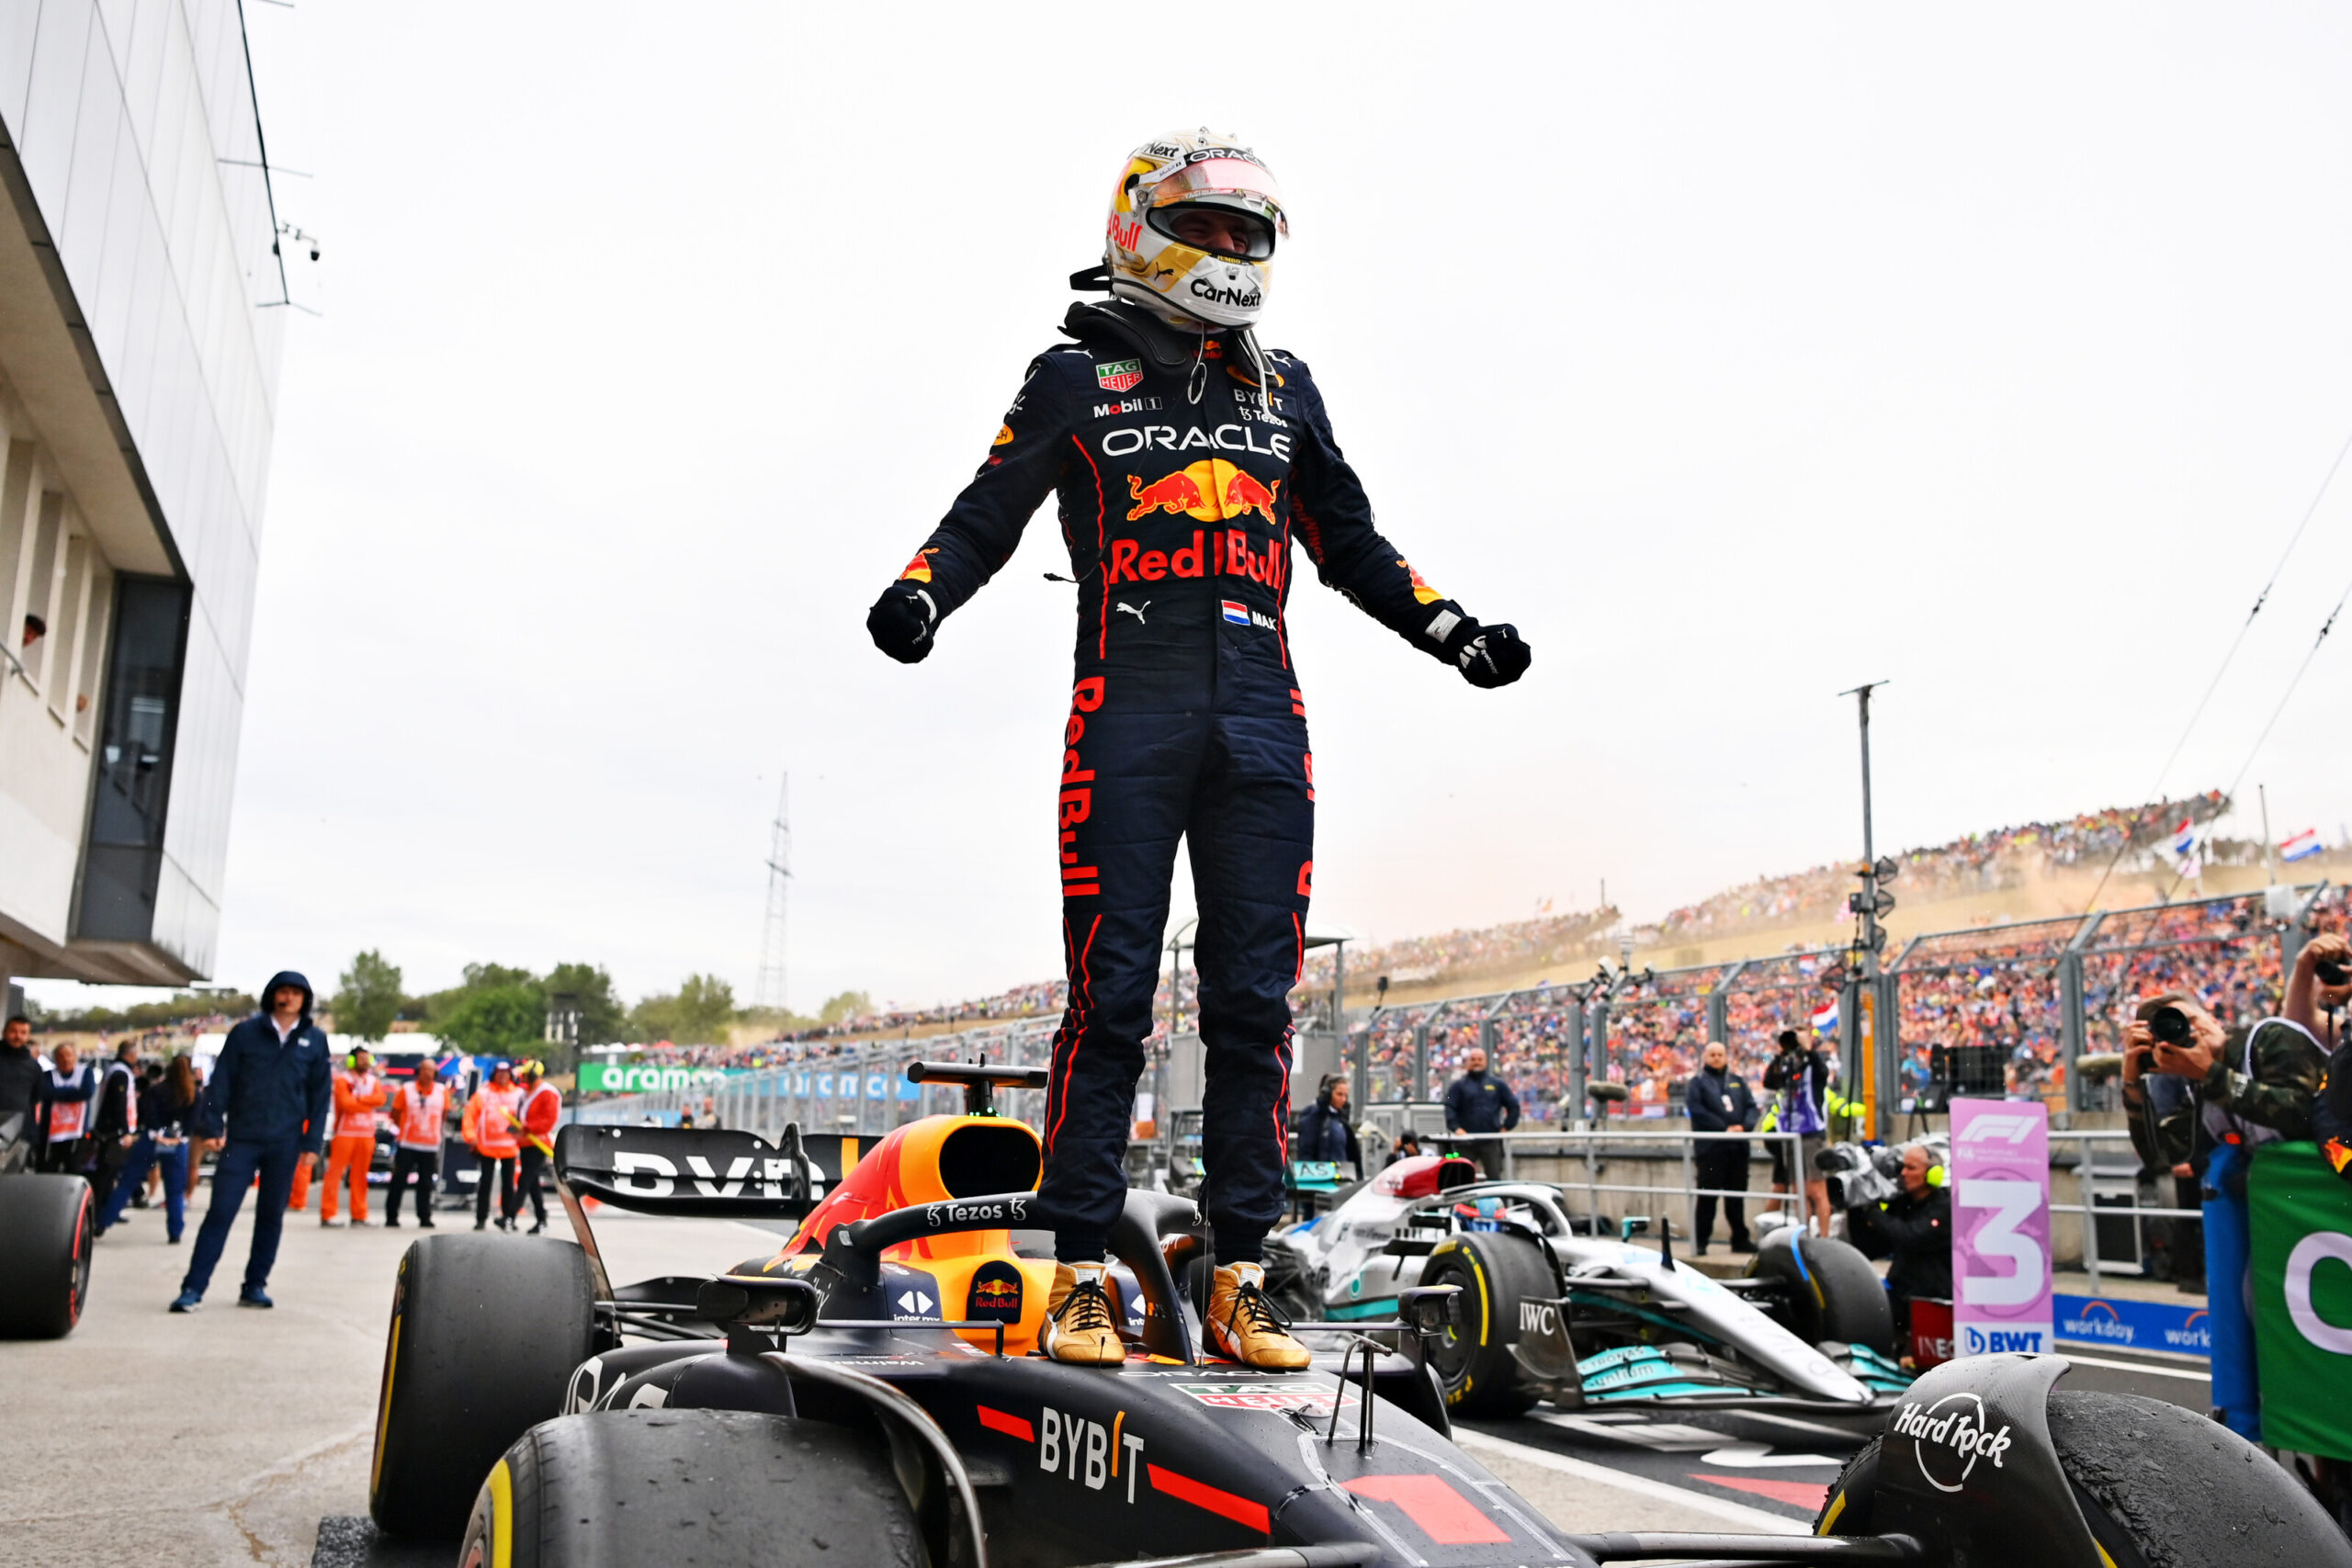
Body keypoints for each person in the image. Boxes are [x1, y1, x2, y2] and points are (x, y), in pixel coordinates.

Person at [865, 130, 1528, 1371]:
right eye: (1207, 227)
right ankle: (1072, 1275)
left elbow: (1354, 542)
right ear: (1141, 226)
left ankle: (1236, 1272)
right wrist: (921, 594)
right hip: (1129, 711)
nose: (1229, 251)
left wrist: (1453, 628)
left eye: (1246, 233)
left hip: (1265, 726)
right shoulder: (1073, 378)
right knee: (1110, 996)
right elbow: (981, 516)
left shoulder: (1290, 390)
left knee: (1253, 1007)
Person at [171, 973, 333, 1311]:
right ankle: (193, 1288)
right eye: (282, 991)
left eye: (295, 993)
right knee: (221, 1212)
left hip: (286, 1142)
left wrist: (312, 1144)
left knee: (271, 1215)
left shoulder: (315, 1040)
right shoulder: (246, 1033)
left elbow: (320, 1097)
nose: (288, 997)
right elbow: (221, 1082)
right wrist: (213, 1125)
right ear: (272, 995)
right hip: (243, 1139)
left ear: (305, 999)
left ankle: (254, 1285)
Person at [1846, 1143, 1951, 1355]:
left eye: (1911, 1168)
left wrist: (1875, 1214)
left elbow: (1910, 1237)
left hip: (1931, 1301)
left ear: (1933, 1174)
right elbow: (1871, 1247)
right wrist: (1858, 1207)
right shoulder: (1903, 1203)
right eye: (1902, 1167)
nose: (1903, 1173)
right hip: (1900, 1293)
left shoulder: (1945, 1206)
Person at [100, 1055, 199, 1242]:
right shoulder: (194, 1094)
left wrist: (157, 1134)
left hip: (153, 1139)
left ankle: (104, 1221)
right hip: (177, 1143)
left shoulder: (157, 1090)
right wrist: (179, 1138)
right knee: (175, 1190)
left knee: (128, 1182)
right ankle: (175, 1232)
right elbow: (192, 1122)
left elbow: (148, 1113)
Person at [1684, 1039, 1756, 1254]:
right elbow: (1697, 1110)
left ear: (1726, 1057)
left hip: (1737, 1148)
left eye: (1720, 1054)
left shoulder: (1737, 1081)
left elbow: (1752, 1107)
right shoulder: (1698, 1083)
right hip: (1711, 1148)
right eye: (1712, 1054)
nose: (1716, 1058)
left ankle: (1740, 1240)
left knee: (1736, 1197)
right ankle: (1701, 1241)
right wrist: (1724, 1129)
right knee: (1707, 1197)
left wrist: (1743, 1126)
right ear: (1705, 1057)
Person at [1762, 1029, 1835, 1235]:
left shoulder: (1814, 1066)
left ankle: (1824, 1237)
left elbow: (1823, 1072)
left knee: (1817, 1188)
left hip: (1812, 1133)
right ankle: (1804, 1235)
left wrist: (1808, 1050)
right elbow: (1768, 1082)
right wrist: (1780, 1056)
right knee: (1798, 1190)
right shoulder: (1786, 1066)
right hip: (1789, 1133)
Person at [320, 1047, 386, 1227]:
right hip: (344, 1133)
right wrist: (367, 1101)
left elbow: (380, 1099)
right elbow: (346, 1104)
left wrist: (359, 1101)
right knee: (334, 1174)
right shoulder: (343, 1080)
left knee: (360, 1177)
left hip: (366, 1134)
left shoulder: (373, 1081)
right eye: (361, 1058)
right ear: (352, 1061)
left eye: (367, 1058)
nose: (365, 1062)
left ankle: (359, 1214)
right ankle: (328, 1213)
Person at [385, 1060, 448, 1229]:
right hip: (407, 1143)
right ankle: (391, 1216)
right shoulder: (406, 1089)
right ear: (418, 1071)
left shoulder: (442, 1091)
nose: (428, 1073)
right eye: (425, 1069)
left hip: (430, 1145)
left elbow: (444, 1114)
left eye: (431, 1070)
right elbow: (395, 1113)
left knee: (426, 1183)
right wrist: (405, 1128)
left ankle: (424, 1217)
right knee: (398, 1181)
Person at [462, 1062, 525, 1231]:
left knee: (508, 1185)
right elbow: (470, 1115)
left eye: (506, 1073)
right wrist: (470, 1136)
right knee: (486, 1183)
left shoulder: (519, 1094)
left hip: (509, 1146)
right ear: (494, 1074)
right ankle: (481, 1218)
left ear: (510, 1075)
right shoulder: (484, 1093)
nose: (502, 1076)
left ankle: (507, 1218)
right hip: (487, 1146)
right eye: (499, 1073)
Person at [1444, 1046, 1521, 1178]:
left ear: (1485, 1062)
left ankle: (1496, 1199)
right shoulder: (1457, 1086)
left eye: (1480, 1059)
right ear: (1468, 1062)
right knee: (1461, 1178)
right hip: (1465, 1142)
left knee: (1494, 1178)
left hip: (1490, 1141)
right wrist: (1456, 1129)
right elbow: (1449, 1107)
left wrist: (1506, 1127)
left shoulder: (1497, 1084)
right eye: (1473, 1059)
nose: (1476, 1062)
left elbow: (1514, 1106)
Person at [509, 1059, 561, 1235]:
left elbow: (548, 1120)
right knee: (532, 1184)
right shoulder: (527, 1093)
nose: (522, 1077)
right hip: (526, 1142)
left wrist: (528, 1128)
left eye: (525, 1074)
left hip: (538, 1143)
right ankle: (541, 1220)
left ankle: (510, 1215)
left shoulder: (547, 1093)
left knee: (525, 1180)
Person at [34, 1040, 98, 1176]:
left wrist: (59, 1094)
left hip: (76, 1134)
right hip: (51, 1136)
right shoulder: (48, 1075)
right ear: (55, 1059)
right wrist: (74, 1092)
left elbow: (86, 1092)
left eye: (68, 1055)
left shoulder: (85, 1073)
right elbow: (46, 1093)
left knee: (74, 1172)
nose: (65, 1060)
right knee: (47, 1171)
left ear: (75, 1056)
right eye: (60, 1056)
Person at [89, 1042, 141, 1202]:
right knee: (107, 1172)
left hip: (111, 1130)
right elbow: (119, 1104)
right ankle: (101, 1211)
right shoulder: (121, 1073)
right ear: (131, 1054)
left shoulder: (116, 1069)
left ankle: (105, 1208)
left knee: (110, 1172)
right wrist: (124, 1131)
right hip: (113, 1132)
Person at [1291, 1074, 1361, 1177]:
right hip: (1321, 1177)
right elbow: (1306, 1152)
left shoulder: (1342, 1120)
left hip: (1343, 1176)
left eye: (1345, 1095)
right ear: (1327, 1094)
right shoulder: (1312, 1117)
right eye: (1339, 1094)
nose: (1343, 1099)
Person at [0, 1014, 40, 1139]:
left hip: (18, 1131)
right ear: (4, 1032)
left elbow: (35, 1098)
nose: (18, 1036)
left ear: (28, 1036)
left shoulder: (34, 1066)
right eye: (13, 1031)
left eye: (23, 1032)